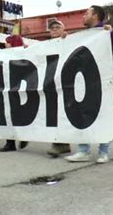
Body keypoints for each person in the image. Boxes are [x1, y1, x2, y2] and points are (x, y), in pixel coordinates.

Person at [64, 5, 113, 164]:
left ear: (96, 16)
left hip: (104, 82)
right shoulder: (83, 35)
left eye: (87, 13)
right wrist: (65, 40)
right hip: (84, 82)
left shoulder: (106, 32)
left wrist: (112, 32)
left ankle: (103, 151)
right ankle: (83, 150)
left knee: (103, 115)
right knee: (82, 114)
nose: (83, 16)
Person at [45, 19, 72, 157]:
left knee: (61, 113)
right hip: (50, 85)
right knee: (52, 114)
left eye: (57, 27)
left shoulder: (69, 41)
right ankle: (61, 144)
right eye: (52, 28)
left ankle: (60, 144)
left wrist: (67, 39)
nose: (54, 29)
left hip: (65, 84)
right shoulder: (46, 45)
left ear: (63, 30)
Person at [0, 35, 29, 152]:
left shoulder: (24, 53)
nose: (5, 45)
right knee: (8, 115)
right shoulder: (4, 54)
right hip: (8, 89)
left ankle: (21, 137)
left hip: (19, 89)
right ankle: (10, 142)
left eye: (7, 43)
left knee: (17, 115)